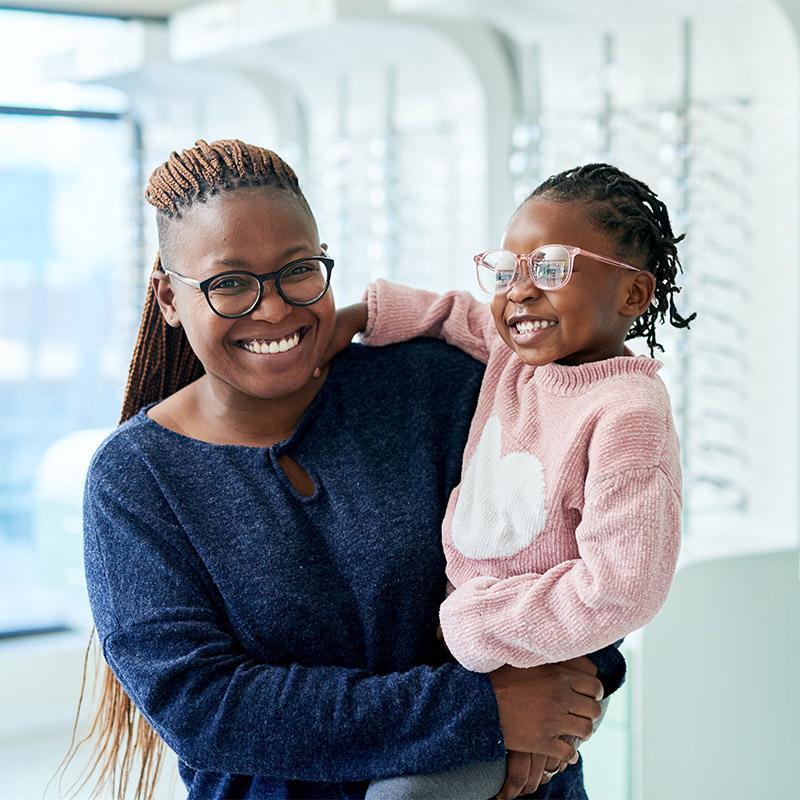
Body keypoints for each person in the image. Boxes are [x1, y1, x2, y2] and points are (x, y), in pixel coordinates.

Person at [74, 140, 626, 800]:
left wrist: (560, 707)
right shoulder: (137, 478)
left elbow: (584, 548)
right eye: (229, 284)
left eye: (298, 271)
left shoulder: (435, 387)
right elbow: (206, 707)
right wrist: (481, 714)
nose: (273, 308)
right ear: (168, 297)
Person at [327, 163, 694, 800]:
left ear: (633, 295)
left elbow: (624, 589)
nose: (520, 292)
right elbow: (452, 313)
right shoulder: (513, 358)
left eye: (551, 268)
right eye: (508, 270)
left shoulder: (628, 414)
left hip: (523, 655)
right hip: (463, 655)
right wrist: (358, 314)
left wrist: (476, 626)